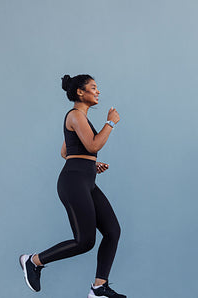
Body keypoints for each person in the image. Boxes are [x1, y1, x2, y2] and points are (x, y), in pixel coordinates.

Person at [19, 74, 126, 298]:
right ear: (80, 92)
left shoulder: (82, 119)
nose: (98, 92)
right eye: (93, 87)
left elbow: (65, 151)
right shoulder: (76, 115)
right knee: (85, 241)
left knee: (113, 231)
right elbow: (94, 144)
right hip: (73, 182)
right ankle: (33, 261)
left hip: (85, 179)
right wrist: (110, 123)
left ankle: (99, 288)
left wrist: (89, 164)